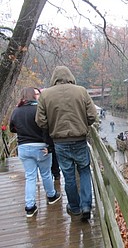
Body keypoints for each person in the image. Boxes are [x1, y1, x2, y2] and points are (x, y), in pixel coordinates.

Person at [35, 66, 97, 221]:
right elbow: (92, 115)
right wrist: (83, 123)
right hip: (79, 139)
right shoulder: (81, 91)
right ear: (70, 76)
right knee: (84, 170)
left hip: (60, 142)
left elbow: (40, 121)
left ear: (54, 78)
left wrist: (52, 126)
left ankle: (74, 207)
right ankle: (86, 205)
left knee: (68, 175)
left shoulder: (45, 95)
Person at [9, 87, 61, 218]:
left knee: (30, 177)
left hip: (23, 148)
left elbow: (12, 128)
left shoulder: (16, 111)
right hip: (40, 146)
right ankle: (51, 195)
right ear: (34, 96)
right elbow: (47, 128)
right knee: (46, 174)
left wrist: (23, 132)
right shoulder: (39, 110)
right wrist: (50, 147)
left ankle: (30, 207)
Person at [35, 88, 61, 181]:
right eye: (35, 94)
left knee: (53, 156)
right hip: (40, 138)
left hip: (49, 136)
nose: (36, 96)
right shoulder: (37, 108)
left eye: (38, 94)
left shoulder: (46, 106)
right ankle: (52, 177)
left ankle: (56, 174)